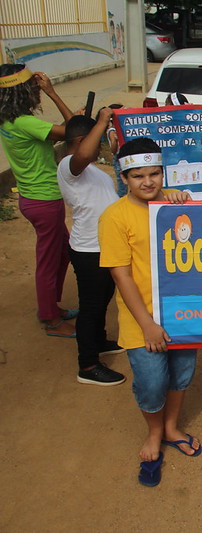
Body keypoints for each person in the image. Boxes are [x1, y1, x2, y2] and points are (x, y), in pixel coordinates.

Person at [98, 137, 200, 487]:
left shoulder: (175, 204)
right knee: (152, 382)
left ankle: (172, 427)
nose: (148, 182)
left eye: (155, 174)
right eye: (138, 175)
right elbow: (120, 274)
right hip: (142, 321)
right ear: (123, 178)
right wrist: (147, 325)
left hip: (184, 314)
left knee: (181, 374)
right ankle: (154, 432)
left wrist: (181, 199)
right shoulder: (114, 217)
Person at [0, 64, 78, 338]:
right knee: (48, 260)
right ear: (23, 93)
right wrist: (54, 93)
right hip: (44, 200)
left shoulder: (8, 121)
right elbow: (72, 132)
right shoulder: (26, 123)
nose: (38, 92)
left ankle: (50, 307)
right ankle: (50, 319)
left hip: (33, 198)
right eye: (34, 88)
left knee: (64, 253)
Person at [57, 109, 126, 386]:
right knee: (91, 306)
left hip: (105, 244)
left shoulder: (92, 171)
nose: (99, 148)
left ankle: (99, 341)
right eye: (96, 140)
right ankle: (87, 364)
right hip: (89, 248)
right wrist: (101, 122)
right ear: (83, 140)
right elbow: (83, 153)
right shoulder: (68, 166)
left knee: (104, 297)